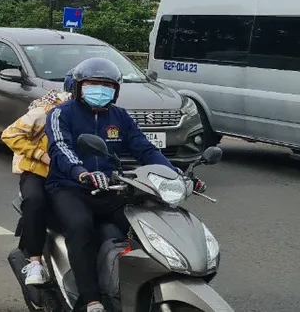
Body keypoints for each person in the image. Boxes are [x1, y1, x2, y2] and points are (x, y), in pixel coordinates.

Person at [46, 57, 205, 312]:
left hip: (111, 188)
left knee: (145, 224)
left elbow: (145, 149)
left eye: (107, 85)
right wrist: (81, 172)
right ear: (78, 87)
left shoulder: (120, 116)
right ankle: (91, 299)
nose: (100, 90)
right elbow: (60, 148)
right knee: (80, 227)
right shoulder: (61, 113)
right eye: (93, 84)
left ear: (116, 90)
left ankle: (130, 287)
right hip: (69, 187)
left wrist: (176, 174)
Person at [0, 71, 75, 286]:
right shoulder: (46, 112)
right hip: (38, 171)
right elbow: (9, 134)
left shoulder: (95, 116)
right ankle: (34, 261)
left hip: (72, 174)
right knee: (35, 201)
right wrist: (40, 155)